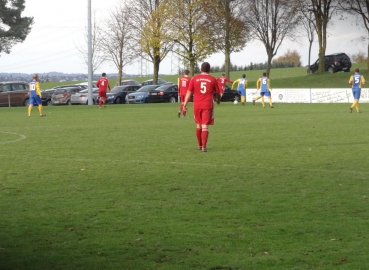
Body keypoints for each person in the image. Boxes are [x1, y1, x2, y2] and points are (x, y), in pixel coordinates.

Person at [183, 62, 220, 152]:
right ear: (209, 70)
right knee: (205, 126)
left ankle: (199, 145)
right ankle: (204, 147)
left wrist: (185, 104)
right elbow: (218, 93)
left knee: (198, 125)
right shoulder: (213, 79)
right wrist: (218, 100)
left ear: (200, 69)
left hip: (197, 105)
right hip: (207, 105)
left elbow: (189, 92)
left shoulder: (194, 79)